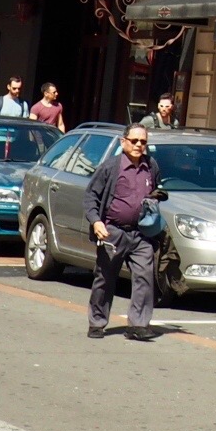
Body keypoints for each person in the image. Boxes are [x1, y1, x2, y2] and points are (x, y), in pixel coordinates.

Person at [84, 124, 161, 342]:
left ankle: (138, 325)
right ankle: (97, 321)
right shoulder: (110, 167)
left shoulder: (151, 166)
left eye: (143, 142)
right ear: (123, 142)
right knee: (105, 278)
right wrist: (96, 222)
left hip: (141, 234)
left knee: (145, 278)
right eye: (134, 141)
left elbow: (155, 189)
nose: (139, 145)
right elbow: (91, 197)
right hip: (113, 233)